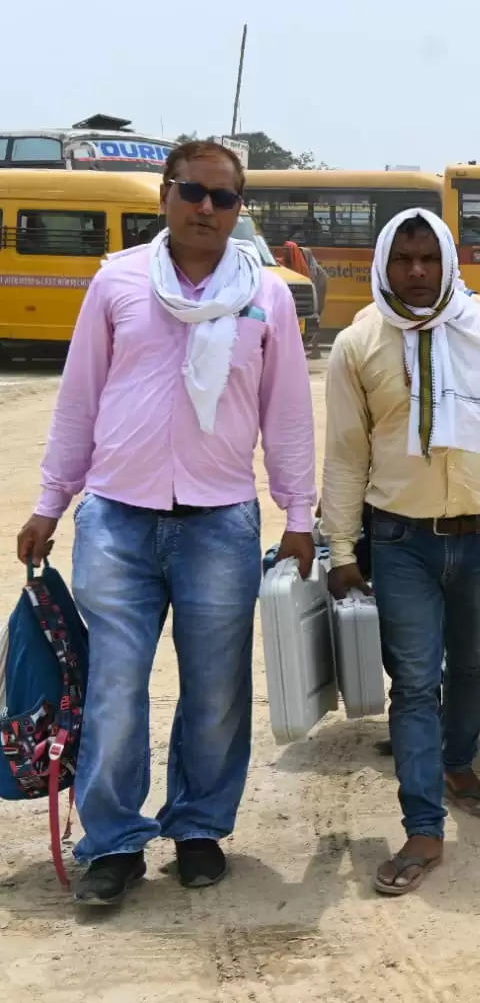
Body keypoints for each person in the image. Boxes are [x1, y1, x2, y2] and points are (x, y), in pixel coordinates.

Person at [15, 141, 317, 907]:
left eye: (223, 198)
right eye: (193, 193)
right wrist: (52, 502)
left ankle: (198, 828)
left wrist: (301, 513)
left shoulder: (265, 295)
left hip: (220, 522)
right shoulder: (117, 281)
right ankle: (112, 842)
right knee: (116, 689)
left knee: (215, 690)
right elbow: (80, 399)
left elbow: (285, 415)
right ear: (165, 196)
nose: (206, 209)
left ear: (239, 208)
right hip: (118, 520)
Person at [321, 208, 480, 896]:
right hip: (401, 542)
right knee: (414, 682)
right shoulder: (358, 343)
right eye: (403, 260)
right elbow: (346, 454)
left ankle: (459, 762)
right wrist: (339, 548)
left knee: (473, 661)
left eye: (428, 259)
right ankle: (422, 826)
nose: (416, 273)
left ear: (448, 260)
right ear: (384, 264)